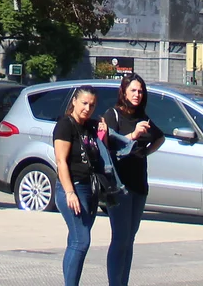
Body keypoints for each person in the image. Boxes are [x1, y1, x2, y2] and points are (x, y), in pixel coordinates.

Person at [102, 73, 163, 286]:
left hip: (139, 184)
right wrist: (133, 137)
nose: (137, 95)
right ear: (124, 92)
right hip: (119, 185)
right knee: (119, 238)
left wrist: (146, 152)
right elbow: (107, 144)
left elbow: (160, 137)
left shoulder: (142, 117)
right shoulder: (113, 115)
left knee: (129, 239)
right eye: (133, 91)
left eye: (140, 91)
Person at [53, 86, 104, 286]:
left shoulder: (90, 126)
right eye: (84, 103)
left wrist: (103, 126)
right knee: (81, 241)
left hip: (90, 189)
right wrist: (69, 192)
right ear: (74, 101)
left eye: (91, 105)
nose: (87, 108)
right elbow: (61, 161)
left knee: (75, 242)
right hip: (72, 188)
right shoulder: (65, 125)